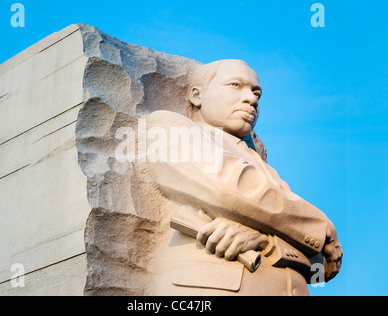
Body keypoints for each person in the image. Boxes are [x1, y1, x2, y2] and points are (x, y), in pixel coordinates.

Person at [144, 59, 343, 296]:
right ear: (197, 96)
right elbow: (232, 190)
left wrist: (265, 241)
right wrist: (322, 225)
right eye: (235, 85)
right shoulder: (168, 128)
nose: (252, 99)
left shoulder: (267, 171)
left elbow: (325, 265)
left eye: (256, 91)